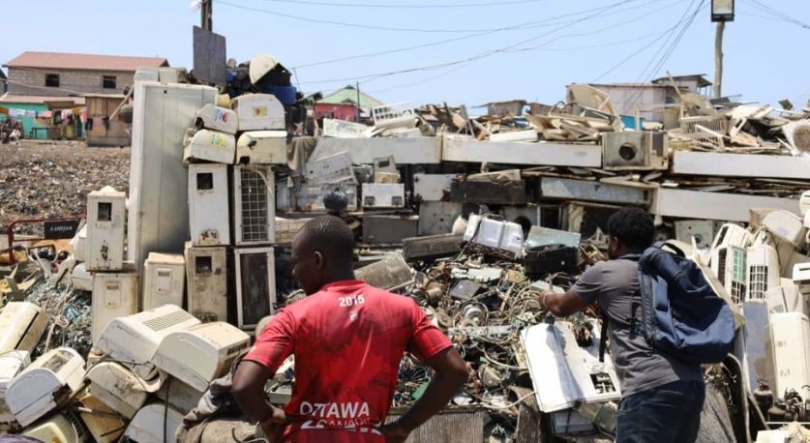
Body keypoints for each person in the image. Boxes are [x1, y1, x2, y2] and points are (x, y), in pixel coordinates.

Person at [232, 215, 468, 443]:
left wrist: (270, 416)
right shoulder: (403, 309)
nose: (294, 273)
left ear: (317, 260)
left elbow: (243, 385)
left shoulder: (294, 315)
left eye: (296, 263)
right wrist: (402, 427)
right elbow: (455, 370)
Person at [538, 207, 705, 443]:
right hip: (692, 386)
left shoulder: (605, 272)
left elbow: (560, 307)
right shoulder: (668, 272)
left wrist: (545, 296)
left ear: (615, 242)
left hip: (649, 388)